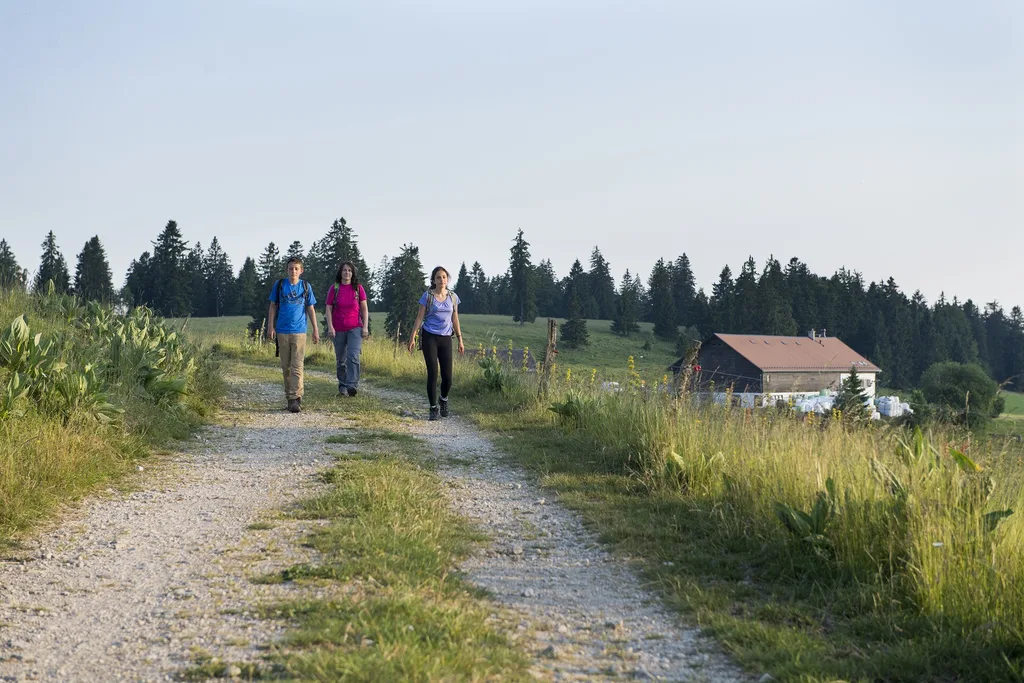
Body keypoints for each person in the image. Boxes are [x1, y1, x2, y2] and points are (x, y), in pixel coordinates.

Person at [407, 266, 464, 420]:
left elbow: (455, 319)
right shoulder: (427, 296)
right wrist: (413, 336)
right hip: (429, 337)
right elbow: (419, 318)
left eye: (444, 277)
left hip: (446, 338)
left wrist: (460, 339)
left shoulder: (453, 297)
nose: (441, 280)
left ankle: (443, 399)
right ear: (433, 280)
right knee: (433, 373)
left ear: (448, 279)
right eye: (438, 277)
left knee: (448, 377)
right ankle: (433, 408)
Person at [267, 257, 319, 413]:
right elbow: (272, 306)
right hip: (282, 331)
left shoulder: (305, 287)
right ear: (287, 270)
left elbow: (310, 308)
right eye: (290, 268)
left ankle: (296, 398)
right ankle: (290, 397)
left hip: (299, 332)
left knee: (297, 366)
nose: (293, 271)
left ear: (301, 271)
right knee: (286, 367)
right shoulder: (280, 285)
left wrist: (315, 329)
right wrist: (270, 326)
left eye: (296, 269)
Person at [325, 261, 368, 397]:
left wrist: (365, 326)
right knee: (341, 360)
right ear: (340, 273)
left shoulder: (358, 288)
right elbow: (328, 308)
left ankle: (352, 385)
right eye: (344, 270)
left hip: (355, 327)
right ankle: (342, 386)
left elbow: (364, 308)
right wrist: (330, 326)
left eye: (349, 271)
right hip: (338, 329)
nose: (347, 273)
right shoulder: (334, 288)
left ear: (353, 273)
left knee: (353, 356)